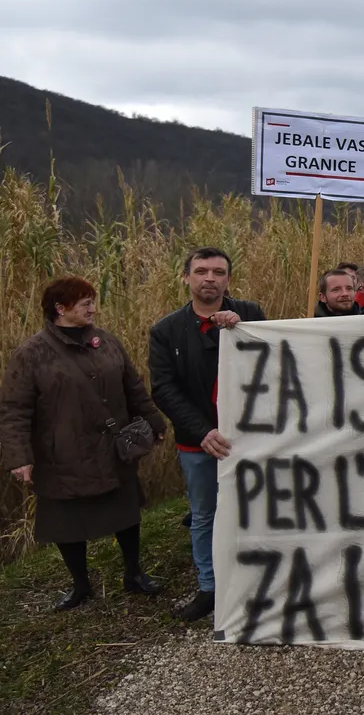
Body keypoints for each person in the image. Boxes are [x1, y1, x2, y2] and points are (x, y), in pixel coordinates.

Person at [0, 277, 168, 610]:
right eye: (85, 303)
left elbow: (133, 387)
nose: (93, 308)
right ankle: (81, 586)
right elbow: (14, 409)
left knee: (125, 512)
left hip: (112, 450)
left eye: (93, 301)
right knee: (67, 524)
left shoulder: (105, 341)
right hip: (62, 455)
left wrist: (154, 422)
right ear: (60, 309)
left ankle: (134, 574)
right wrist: (19, 456)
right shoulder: (32, 353)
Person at [149, 247, 266, 622]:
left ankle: (258, 581)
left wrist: (245, 331)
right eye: (201, 271)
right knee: (204, 515)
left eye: (218, 272)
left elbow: (273, 364)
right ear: (186, 277)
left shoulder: (250, 314)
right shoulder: (166, 331)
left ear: (229, 279)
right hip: (198, 442)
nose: (209, 278)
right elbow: (164, 388)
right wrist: (202, 431)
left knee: (256, 509)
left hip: (251, 437)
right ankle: (210, 587)